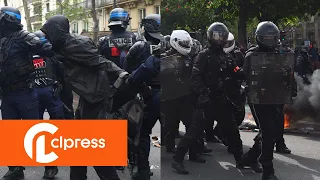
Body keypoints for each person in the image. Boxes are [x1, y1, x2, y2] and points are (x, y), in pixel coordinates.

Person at [40, 15, 136, 180]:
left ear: (56, 31)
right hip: (88, 98)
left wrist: (120, 72)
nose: (46, 36)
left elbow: (99, 60)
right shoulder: (61, 45)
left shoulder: (77, 44)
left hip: (96, 98)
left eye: (48, 32)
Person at [171, 22, 244, 174]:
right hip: (206, 100)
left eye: (222, 36)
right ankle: (177, 160)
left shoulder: (226, 56)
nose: (219, 39)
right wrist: (203, 94)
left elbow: (236, 69)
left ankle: (240, 159)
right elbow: (195, 78)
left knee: (232, 130)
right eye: (216, 36)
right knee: (194, 132)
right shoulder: (203, 56)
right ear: (211, 36)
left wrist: (244, 74)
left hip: (221, 100)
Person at [0, 6, 53, 180]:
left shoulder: (23, 37)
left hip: (24, 92)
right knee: (10, 134)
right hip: (7, 95)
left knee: (36, 132)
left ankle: (50, 165)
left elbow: (45, 47)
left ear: (8, 20)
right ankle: (15, 168)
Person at [242, 21, 296, 180]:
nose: (269, 40)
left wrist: (291, 90)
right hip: (259, 99)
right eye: (266, 37)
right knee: (268, 132)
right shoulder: (252, 55)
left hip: (276, 98)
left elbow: (288, 74)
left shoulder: (281, 53)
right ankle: (268, 171)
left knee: (272, 132)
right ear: (259, 38)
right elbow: (246, 76)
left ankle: (249, 158)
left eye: (272, 37)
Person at [120, 14, 162, 180]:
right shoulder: (169, 44)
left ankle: (143, 169)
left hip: (147, 96)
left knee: (142, 132)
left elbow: (129, 71)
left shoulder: (139, 47)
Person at [161, 30, 212, 161]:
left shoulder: (189, 57)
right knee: (171, 125)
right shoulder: (165, 58)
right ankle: (170, 146)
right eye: (183, 43)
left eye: (186, 43)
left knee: (192, 125)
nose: (185, 45)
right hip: (171, 97)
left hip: (186, 96)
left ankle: (194, 153)